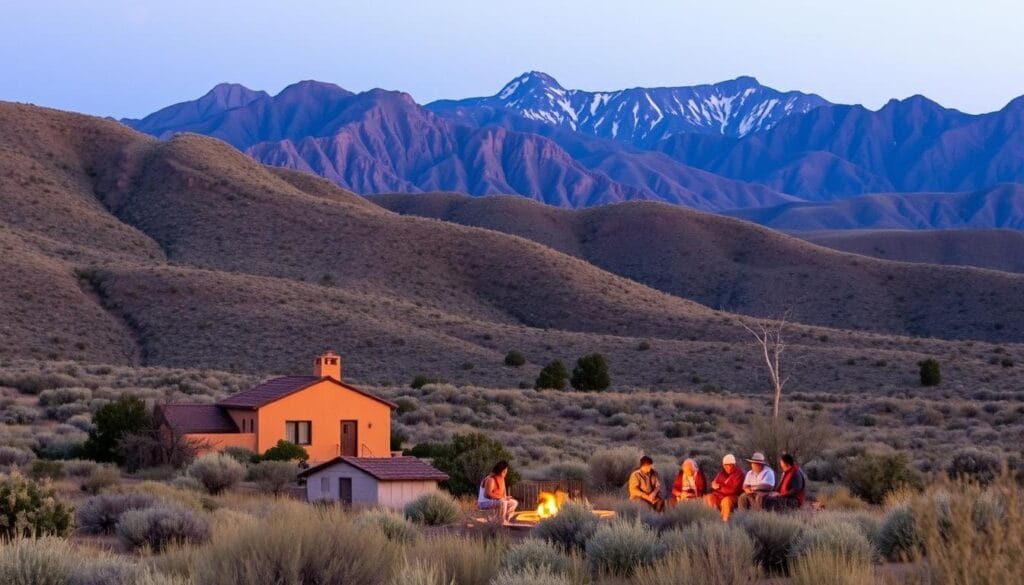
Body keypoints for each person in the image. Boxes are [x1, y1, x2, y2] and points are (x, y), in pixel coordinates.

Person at [704, 454, 744, 521]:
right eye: (726, 465)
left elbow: (733, 490)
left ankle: (724, 521)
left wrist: (719, 486)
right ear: (723, 465)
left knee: (726, 501)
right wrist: (717, 486)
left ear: (734, 465)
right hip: (720, 495)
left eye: (731, 465)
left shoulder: (739, 474)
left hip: (734, 497)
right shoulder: (721, 473)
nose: (729, 467)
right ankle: (712, 518)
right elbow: (714, 484)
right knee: (709, 497)